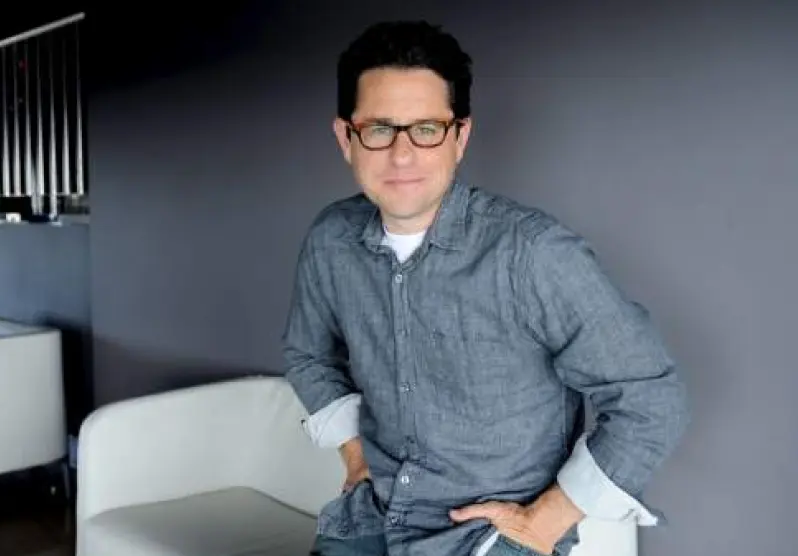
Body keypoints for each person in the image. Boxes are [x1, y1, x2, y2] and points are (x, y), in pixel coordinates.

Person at [282, 20, 690, 556]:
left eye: (426, 129)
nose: (402, 155)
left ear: (460, 137)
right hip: (370, 521)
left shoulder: (533, 253)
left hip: (490, 539)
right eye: (379, 129)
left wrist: (547, 520)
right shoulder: (331, 239)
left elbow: (650, 397)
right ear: (346, 138)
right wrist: (355, 455)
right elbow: (308, 355)